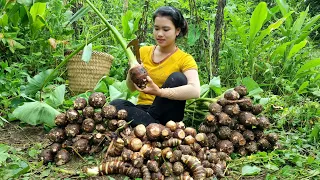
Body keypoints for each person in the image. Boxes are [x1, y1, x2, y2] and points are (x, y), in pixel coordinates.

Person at [110, 6, 200, 127]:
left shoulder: (185, 59)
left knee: (178, 78)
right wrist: (132, 71)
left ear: (177, 31)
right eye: (156, 28)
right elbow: (131, 88)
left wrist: (159, 92)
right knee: (116, 104)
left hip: (168, 114)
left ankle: (147, 126)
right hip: (143, 111)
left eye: (166, 29)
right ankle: (157, 128)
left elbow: (195, 91)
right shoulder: (143, 52)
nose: (160, 34)